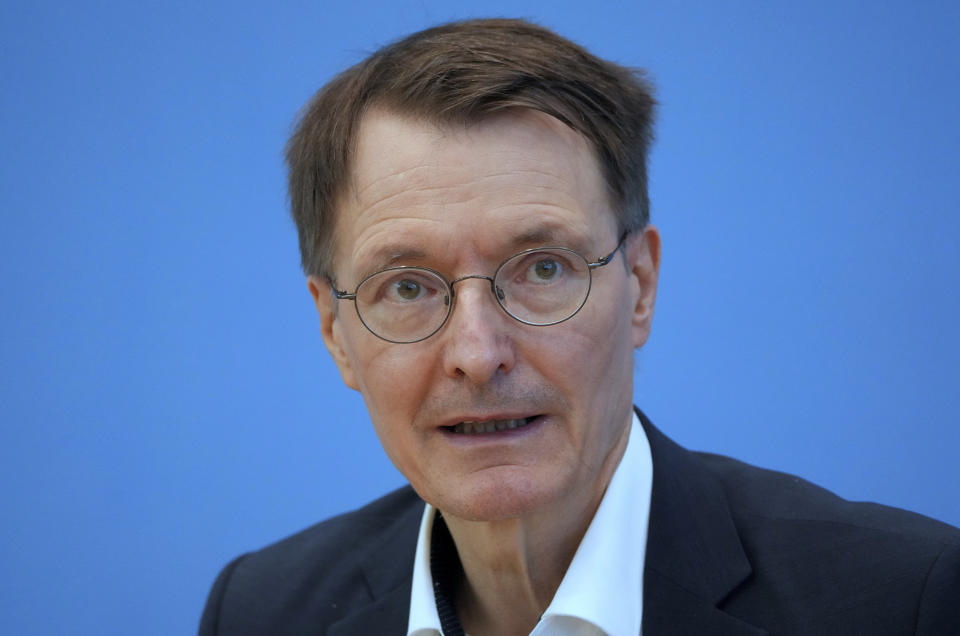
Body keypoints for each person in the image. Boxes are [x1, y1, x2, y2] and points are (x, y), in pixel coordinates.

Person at [199, 18, 960, 636]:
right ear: (335, 331)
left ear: (641, 288)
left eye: (542, 269)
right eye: (407, 285)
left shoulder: (904, 602)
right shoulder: (262, 612)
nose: (476, 353)